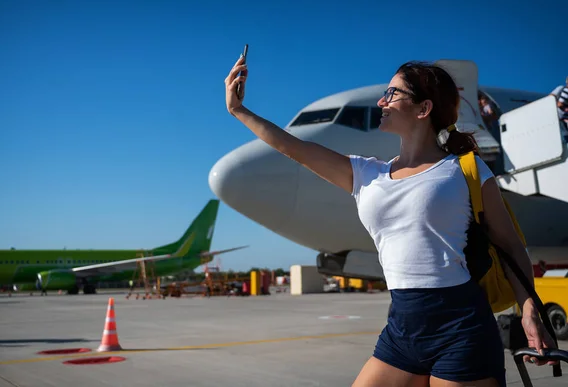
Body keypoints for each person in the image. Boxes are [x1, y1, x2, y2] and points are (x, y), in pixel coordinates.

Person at [224, 56, 558, 387]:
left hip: (462, 326)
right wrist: (240, 111)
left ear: (423, 109)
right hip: (402, 327)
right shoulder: (369, 174)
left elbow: (510, 243)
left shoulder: (465, 170)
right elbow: (294, 148)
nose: (383, 101)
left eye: (393, 94)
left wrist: (530, 309)